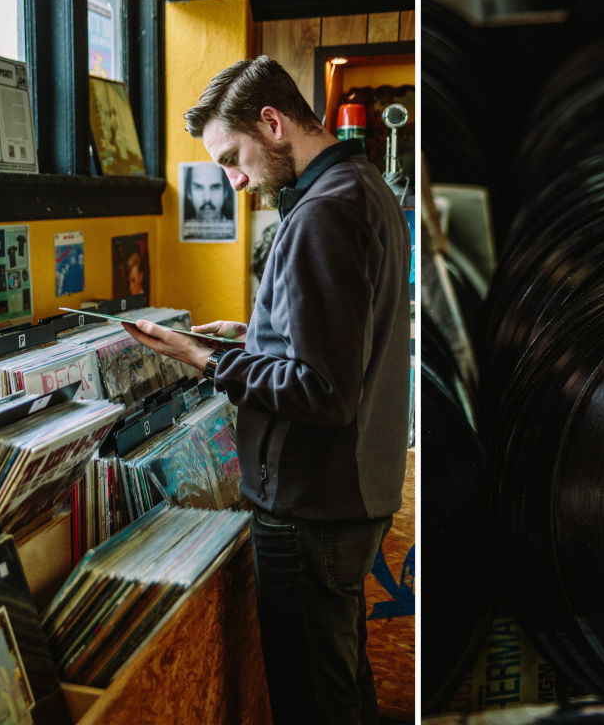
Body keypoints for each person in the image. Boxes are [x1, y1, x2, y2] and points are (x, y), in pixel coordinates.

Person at [124, 55, 410, 724]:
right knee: (340, 679)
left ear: (274, 122)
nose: (232, 179)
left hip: (312, 504)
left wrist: (204, 357)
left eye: (232, 156)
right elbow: (344, 334)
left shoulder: (322, 214)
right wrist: (259, 331)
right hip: (348, 494)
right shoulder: (362, 185)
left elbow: (323, 391)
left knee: (314, 701)